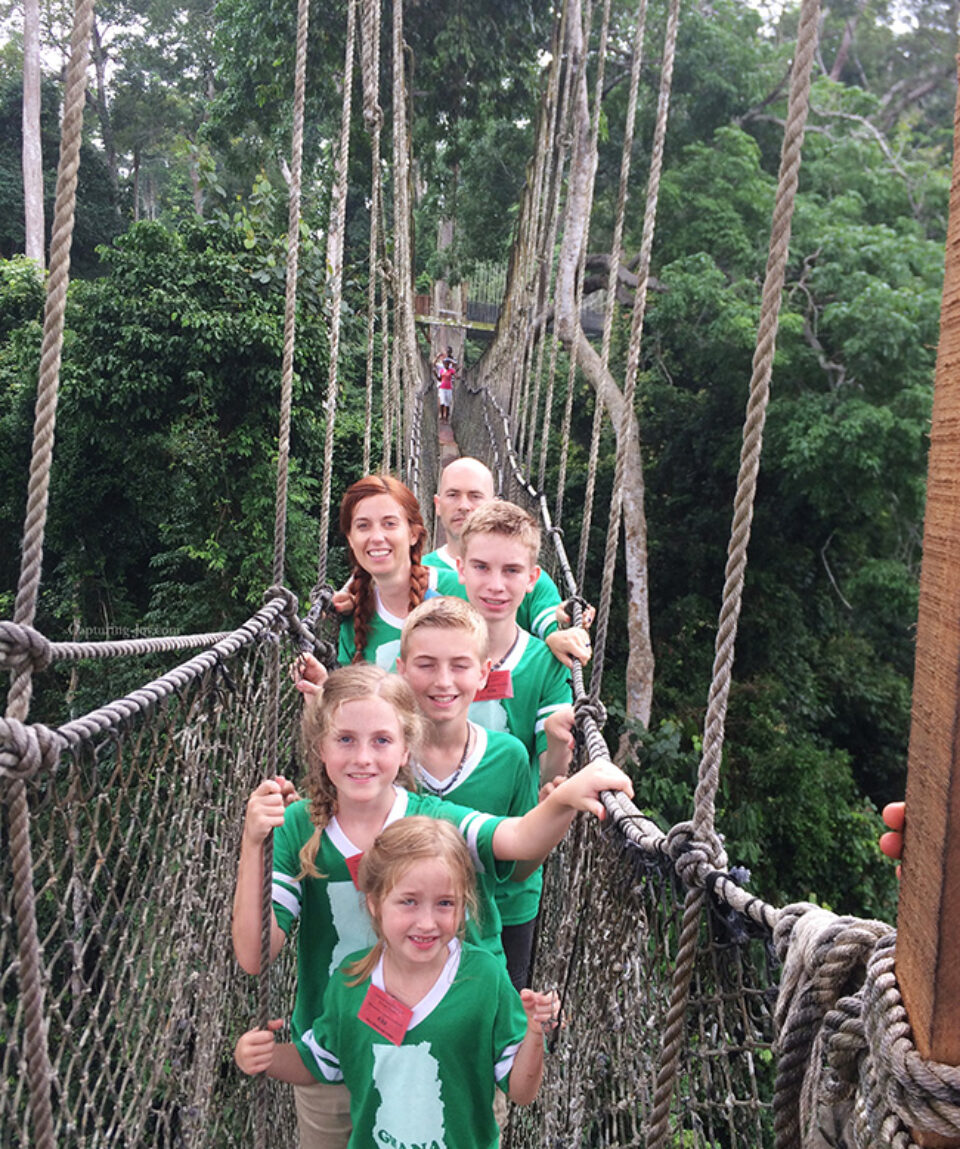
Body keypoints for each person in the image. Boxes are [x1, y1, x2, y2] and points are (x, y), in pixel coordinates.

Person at [233, 663, 633, 1146]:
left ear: (406, 749)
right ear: (320, 746)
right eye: (345, 740)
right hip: (337, 1043)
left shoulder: (432, 823)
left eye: (381, 740)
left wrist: (564, 798)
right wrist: (254, 843)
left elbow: (518, 837)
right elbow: (255, 956)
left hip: (449, 1043)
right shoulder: (299, 827)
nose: (363, 757)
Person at [235, 818, 559, 1149]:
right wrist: (266, 1057)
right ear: (374, 904)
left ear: (464, 905)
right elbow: (319, 1062)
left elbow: (521, 1091)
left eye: (445, 903)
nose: (427, 922)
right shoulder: (351, 982)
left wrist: (534, 1034)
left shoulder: (485, 979)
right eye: (409, 901)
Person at [396, 596, 538, 988]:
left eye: (460, 665)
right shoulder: (380, 759)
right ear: (402, 670)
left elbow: (519, 870)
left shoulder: (509, 758)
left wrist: (554, 818)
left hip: (479, 954)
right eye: (426, 665)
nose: (443, 681)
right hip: (394, 955)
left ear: (483, 672)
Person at [424, 456, 593, 668]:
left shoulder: (529, 580)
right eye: (453, 495)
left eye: (475, 496)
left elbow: (551, 622)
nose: (464, 506)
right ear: (437, 505)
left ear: (494, 504)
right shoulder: (423, 574)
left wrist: (562, 630)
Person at [336, 474, 461, 670]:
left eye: (390, 524)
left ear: (413, 534)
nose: (377, 537)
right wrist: (319, 692)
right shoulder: (354, 620)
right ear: (351, 539)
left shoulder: (461, 590)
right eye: (363, 526)